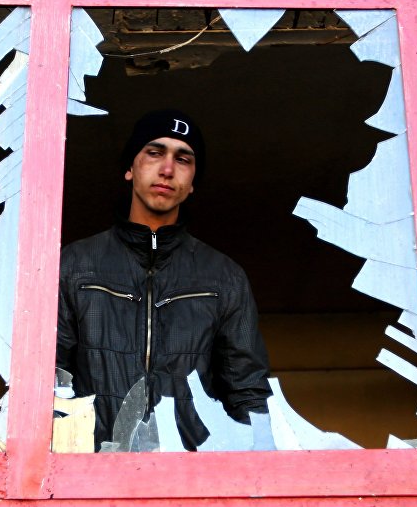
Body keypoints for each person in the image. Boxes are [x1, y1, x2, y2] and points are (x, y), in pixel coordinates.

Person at [56, 109, 272, 451]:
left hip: (193, 480)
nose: (168, 169)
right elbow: (49, 380)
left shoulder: (224, 276)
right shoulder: (74, 265)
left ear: (192, 182)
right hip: (89, 475)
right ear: (130, 168)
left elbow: (247, 391)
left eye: (183, 159)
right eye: (155, 153)